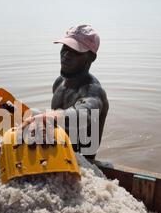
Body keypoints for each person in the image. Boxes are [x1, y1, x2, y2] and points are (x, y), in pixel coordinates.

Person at [22, 24, 109, 160]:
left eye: (75, 52)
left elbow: (83, 114)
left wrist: (48, 117)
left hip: (80, 162)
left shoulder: (93, 91)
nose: (66, 55)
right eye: (65, 48)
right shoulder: (59, 83)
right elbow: (58, 124)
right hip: (55, 153)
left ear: (91, 57)